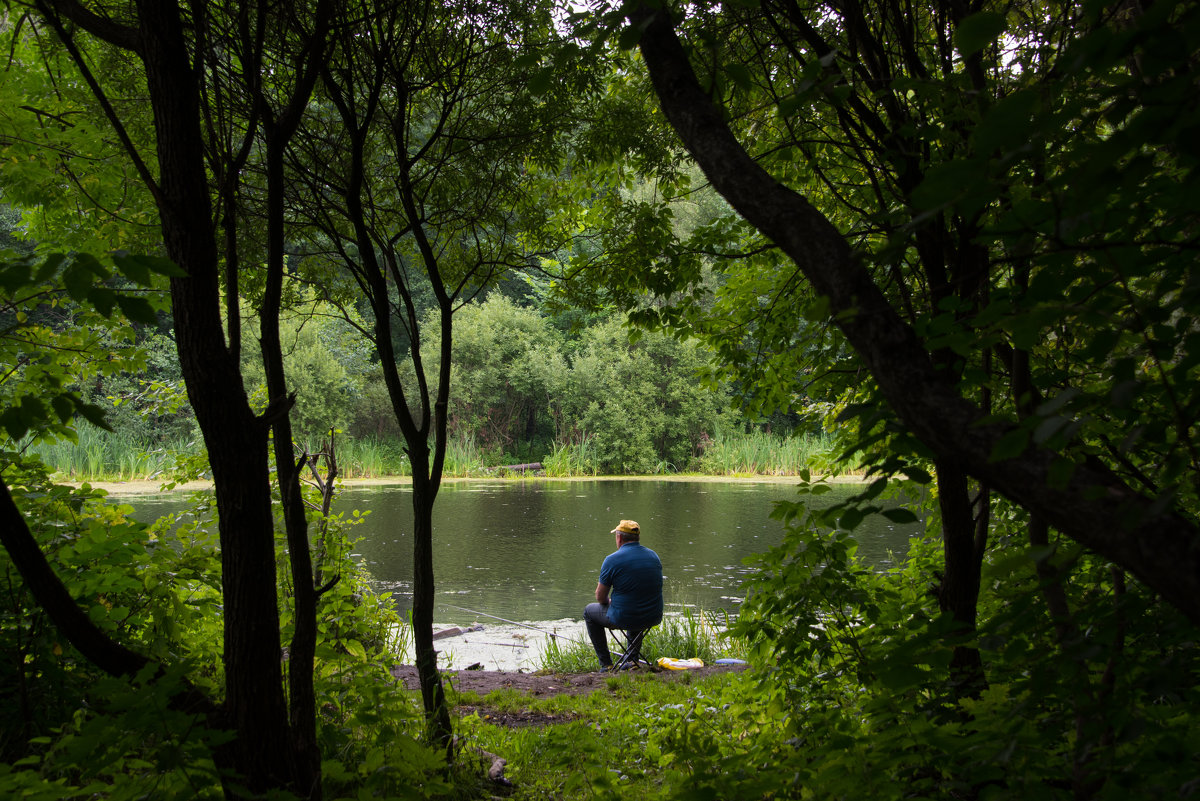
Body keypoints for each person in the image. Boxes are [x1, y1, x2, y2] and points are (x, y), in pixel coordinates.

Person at [583, 519, 663, 671]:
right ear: (637, 538)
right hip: (653, 616)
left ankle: (606, 665)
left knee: (589, 612)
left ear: (619, 538)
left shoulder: (612, 560)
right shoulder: (654, 556)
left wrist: (609, 602)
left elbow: (600, 597)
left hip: (625, 617)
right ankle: (633, 660)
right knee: (635, 604)